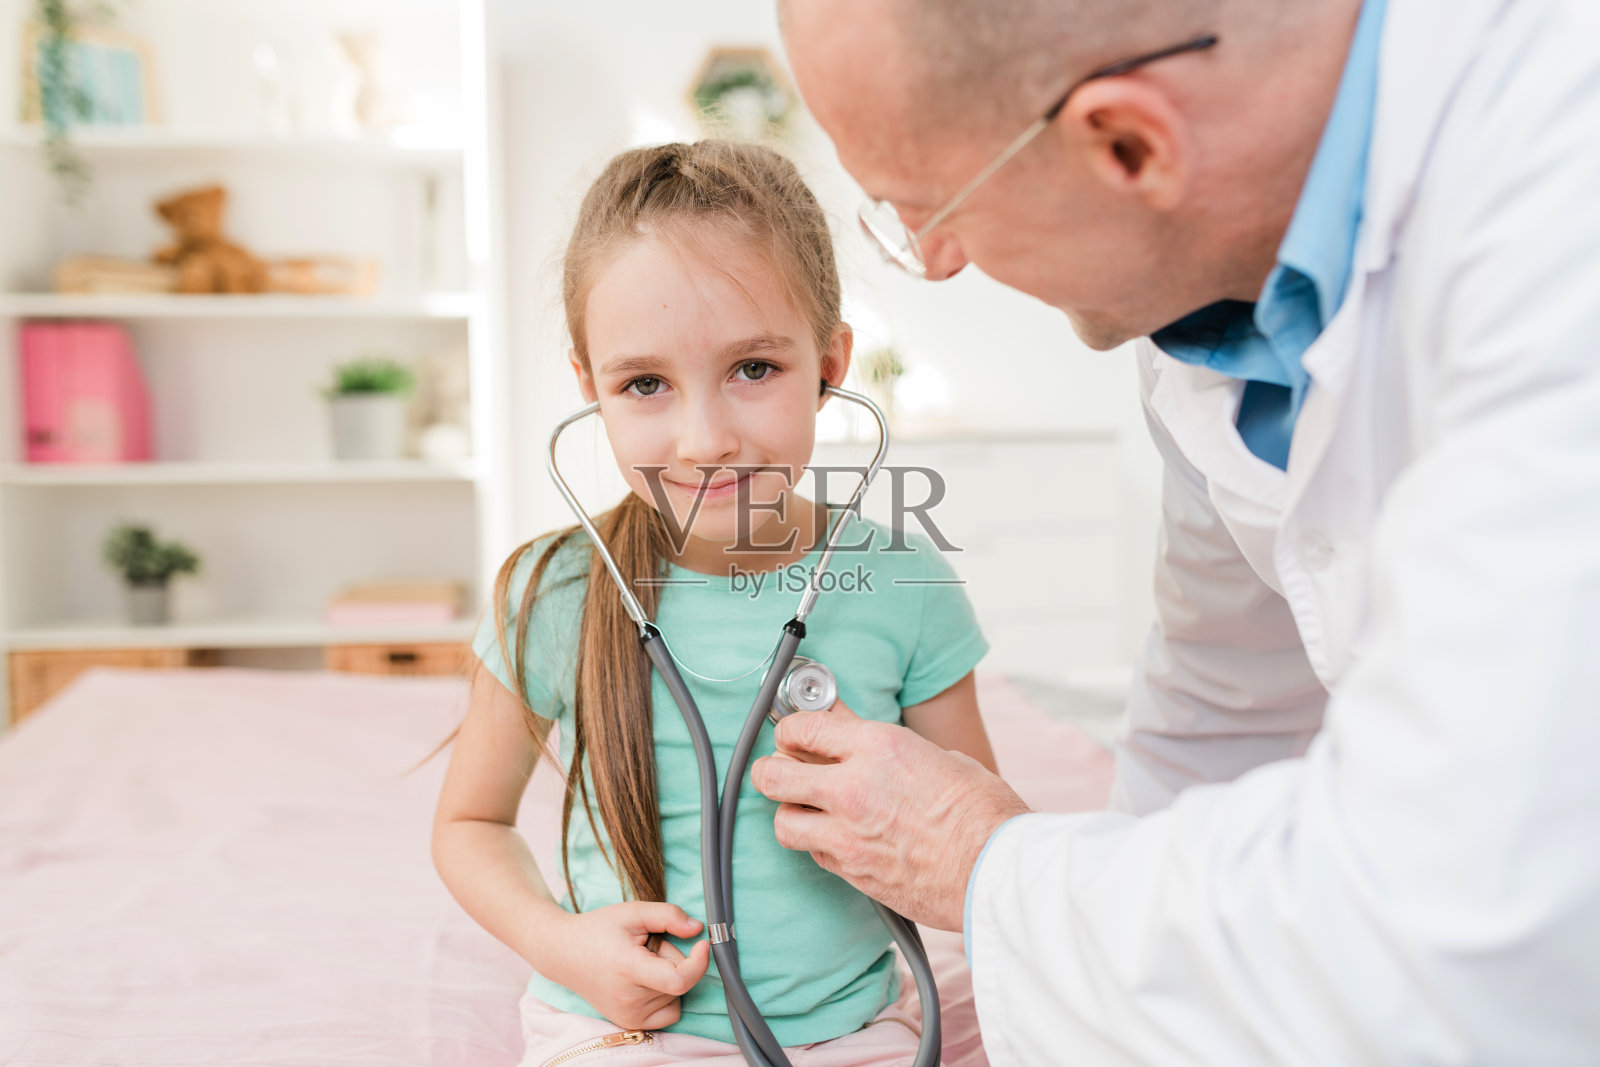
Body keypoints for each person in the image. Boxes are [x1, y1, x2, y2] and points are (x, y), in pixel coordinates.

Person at [753, 0, 1600, 1062]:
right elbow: (1219, 719)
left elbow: (1467, 912)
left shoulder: (1562, 214)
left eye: (921, 210)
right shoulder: (1206, 321)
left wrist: (978, 860)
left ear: (1126, 143)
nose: (937, 260)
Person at [431, 140, 998, 1067]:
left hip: (853, 1028)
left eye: (754, 369)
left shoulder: (904, 584)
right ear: (590, 387)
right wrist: (560, 943)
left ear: (830, 362)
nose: (705, 440)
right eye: (645, 384)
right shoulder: (554, 593)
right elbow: (469, 825)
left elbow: (977, 836)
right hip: (620, 1026)